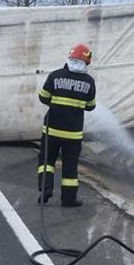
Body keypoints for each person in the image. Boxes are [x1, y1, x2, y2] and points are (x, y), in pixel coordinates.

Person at [37, 44, 96, 207]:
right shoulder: (89, 82)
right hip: (73, 134)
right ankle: (68, 199)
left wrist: (57, 103)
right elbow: (91, 106)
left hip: (52, 130)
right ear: (86, 61)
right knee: (70, 165)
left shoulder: (55, 76)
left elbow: (43, 98)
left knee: (46, 159)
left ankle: (46, 189)